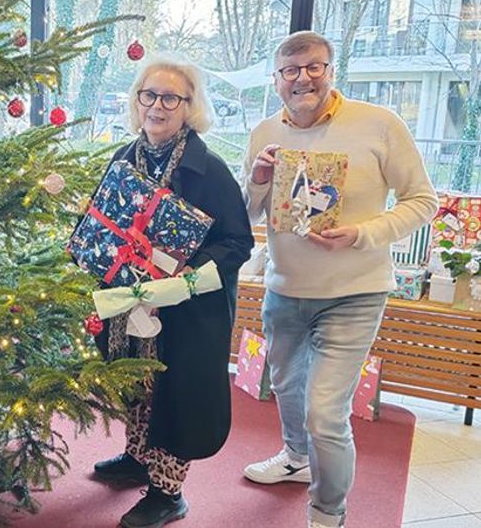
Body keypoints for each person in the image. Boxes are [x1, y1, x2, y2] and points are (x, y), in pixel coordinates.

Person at [240, 31, 437, 528]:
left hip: (355, 293)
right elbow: (244, 215)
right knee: (285, 387)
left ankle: (328, 512)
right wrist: (259, 181)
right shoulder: (265, 132)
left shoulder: (379, 124)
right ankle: (294, 457)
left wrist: (364, 234)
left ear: (331, 70)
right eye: (291, 70)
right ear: (277, 78)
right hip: (284, 289)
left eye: (314, 67)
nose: (302, 78)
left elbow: (422, 201)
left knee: (326, 411)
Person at [90, 57, 254, 527]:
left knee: (173, 394)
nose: (157, 106)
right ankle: (137, 457)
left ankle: (168, 492)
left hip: (186, 310)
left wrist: (185, 278)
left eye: (170, 98)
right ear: (136, 99)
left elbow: (237, 243)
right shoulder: (124, 157)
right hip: (130, 300)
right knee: (135, 381)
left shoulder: (211, 170)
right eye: (149, 94)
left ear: (189, 107)